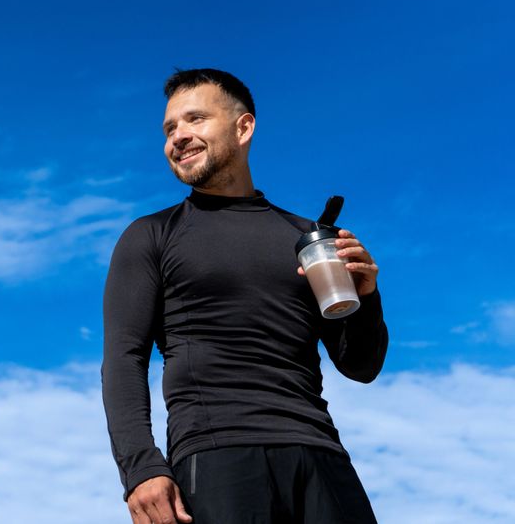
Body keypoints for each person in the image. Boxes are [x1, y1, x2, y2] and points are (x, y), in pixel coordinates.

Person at [101, 68, 388, 524]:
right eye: (169, 128)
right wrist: (141, 468)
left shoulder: (305, 239)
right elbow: (123, 357)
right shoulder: (151, 235)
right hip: (216, 457)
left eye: (195, 119)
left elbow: (361, 366)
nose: (178, 136)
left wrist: (367, 298)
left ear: (244, 127)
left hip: (321, 454)